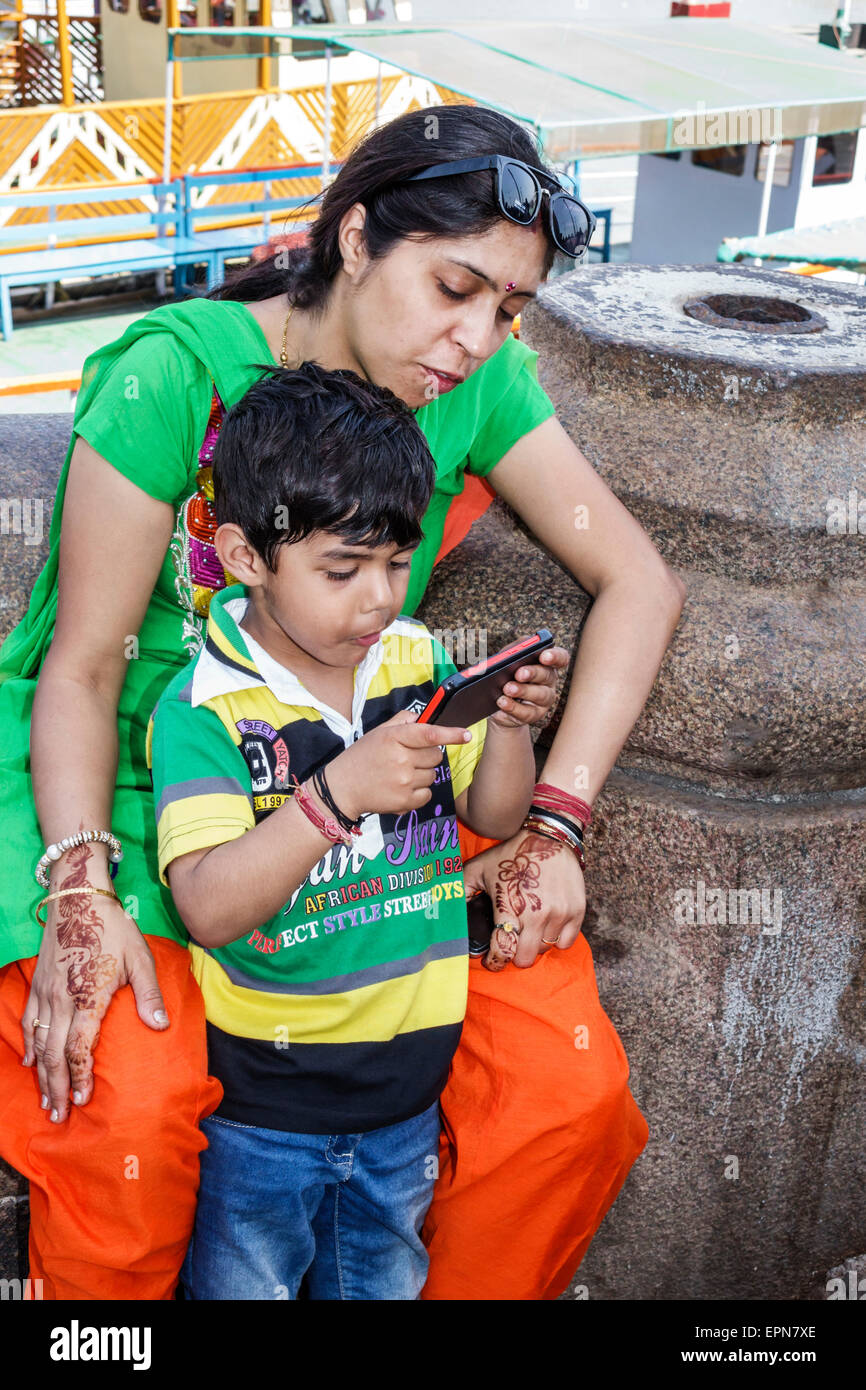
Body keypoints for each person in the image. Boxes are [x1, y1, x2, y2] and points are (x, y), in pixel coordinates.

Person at [0, 101, 683, 1301]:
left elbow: (636, 580)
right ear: (358, 237)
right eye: (454, 287)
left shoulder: (467, 388)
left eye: (506, 311)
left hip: (368, 776)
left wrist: (555, 823)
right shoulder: (177, 373)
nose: (475, 340)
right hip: (121, 774)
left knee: (556, 1099)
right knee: (129, 1117)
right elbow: (87, 665)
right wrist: (80, 888)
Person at [146, 362, 552, 1298]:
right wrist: (335, 796)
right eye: (342, 569)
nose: (378, 598)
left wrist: (513, 728)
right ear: (247, 556)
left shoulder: (410, 660)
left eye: (397, 563)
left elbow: (492, 816)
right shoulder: (205, 706)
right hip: (264, 1113)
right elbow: (208, 906)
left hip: (409, 1099)